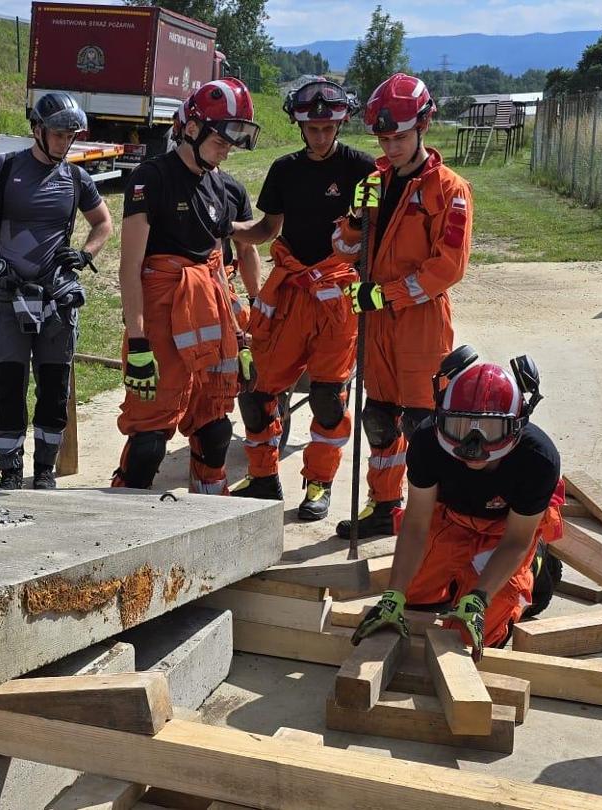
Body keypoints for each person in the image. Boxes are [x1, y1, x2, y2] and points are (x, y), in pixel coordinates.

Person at [332, 73, 475, 540]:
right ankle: (385, 506)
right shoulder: (373, 183)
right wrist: (354, 223)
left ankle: (439, 517)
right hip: (377, 324)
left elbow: (447, 268)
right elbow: (343, 250)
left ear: (423, 128)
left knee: (424, 425)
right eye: (383, 138)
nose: (391, 147)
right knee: (379, 416)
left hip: (421, 321)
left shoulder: (449, 190)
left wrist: (385, 293)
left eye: (399, 137)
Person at [227, 76, 374, 521]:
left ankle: (318, 485)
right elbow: (266, 231)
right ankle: (263, 478)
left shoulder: (362, 169)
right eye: (312, 128)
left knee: (329, 397)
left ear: (341, 122)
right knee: (257, 390)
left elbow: (374, 232)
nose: (321, 136)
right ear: (299, 125)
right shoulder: (285, 170)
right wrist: (219, 228)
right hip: (290, 292)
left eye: (329, 128)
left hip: (337, 296)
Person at [350, 349, 562, 656]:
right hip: (451, 517)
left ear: (516, 426)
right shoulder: (427, 442)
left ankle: (537, 564)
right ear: (442, 419)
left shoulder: (538, 459)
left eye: (489, 431)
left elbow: (516, 539)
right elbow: (417, 523)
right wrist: (392, 596)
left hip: (506, 529)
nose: (472, 447)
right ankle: (456, 581)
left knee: (472, 634)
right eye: (460, 427)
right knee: (415, 599)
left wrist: (479, 598)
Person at [111, 78, 259, 494]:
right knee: (148, 446)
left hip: (211, 320)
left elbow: (222, 269)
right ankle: (122, 528)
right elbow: (130, 267)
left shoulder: (223, 187)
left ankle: (210, 516)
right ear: (192, 129)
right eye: (220, 140)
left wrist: (243, 337)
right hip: (159, 323)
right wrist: (138, 343)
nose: (226, 150)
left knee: (215, 433)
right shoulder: (151, 178)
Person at [0, 92, 114, 490]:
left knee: (54, 386)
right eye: (59, 134)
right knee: (9, 385)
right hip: (8, 295)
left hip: (57, 298)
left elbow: (104, 223)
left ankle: (45, 468)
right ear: (37, 130)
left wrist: (84, 255)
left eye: (71, 136)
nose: (66, 142)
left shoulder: (76, 179)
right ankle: (10, 469)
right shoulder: (7, 167)